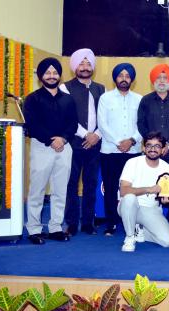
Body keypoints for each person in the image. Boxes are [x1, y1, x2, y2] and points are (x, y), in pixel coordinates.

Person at [23, 58, 78, 244]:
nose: (52, 76)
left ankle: (55, 227)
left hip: (64, 147)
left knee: (60, 190)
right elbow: (32, 124)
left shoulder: (68, 99)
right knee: (37, 190)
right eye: (47, 72)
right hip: (41, 147)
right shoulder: (33, 99)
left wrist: (62, 139)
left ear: (59, 75)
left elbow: (73, 124)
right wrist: (51, 140)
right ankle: (34, 229)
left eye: (55, 73)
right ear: (41, 76)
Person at [61, 48, 105, 236]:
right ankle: (71, 222)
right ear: (74, 66)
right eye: (81, 63)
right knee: (71, 184)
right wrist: (86, 134)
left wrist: (97, 134)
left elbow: (105, 117)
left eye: (88, 64)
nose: (85, 67)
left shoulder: (101, 89)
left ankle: (88, 222)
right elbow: (66, 116)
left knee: (90, 183)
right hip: (73, 143)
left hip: (95, 144)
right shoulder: (65, 88)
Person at [97, 63, 143, 236]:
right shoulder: (105, 98)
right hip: (110, 151)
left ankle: (135, 222)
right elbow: (102, 124)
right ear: (115, 78)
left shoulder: (139, 99)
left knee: (134, 189)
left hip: (133, 151)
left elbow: (142, 124)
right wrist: (118, 142)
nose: (124, 78)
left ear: (132, 79)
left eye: (127, 76)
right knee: (110, 188)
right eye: (120, 75)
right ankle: (111, 223)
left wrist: (131, 141)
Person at [117, 132, 169, 252]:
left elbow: (165, 195)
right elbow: (123, 191)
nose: (153, 149)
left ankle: (141, 229)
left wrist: (166, 199)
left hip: (151, 209)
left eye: (157, 146)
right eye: (149, 145)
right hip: (129, 206)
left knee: (168, 241)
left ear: (163, 149)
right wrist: (148, 189)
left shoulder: (167, 168)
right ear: (143, 148)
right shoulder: (132, 163)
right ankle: (129, 236)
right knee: (129, 198)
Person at [137, 63, 169, 179]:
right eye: (158, 77)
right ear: (153, 81)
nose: (162, 81)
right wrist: (154, 144)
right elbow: (141, 124)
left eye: (165, 77)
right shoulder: (146, 100)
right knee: (151, 180)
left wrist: (168, 145)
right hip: (152, 150)